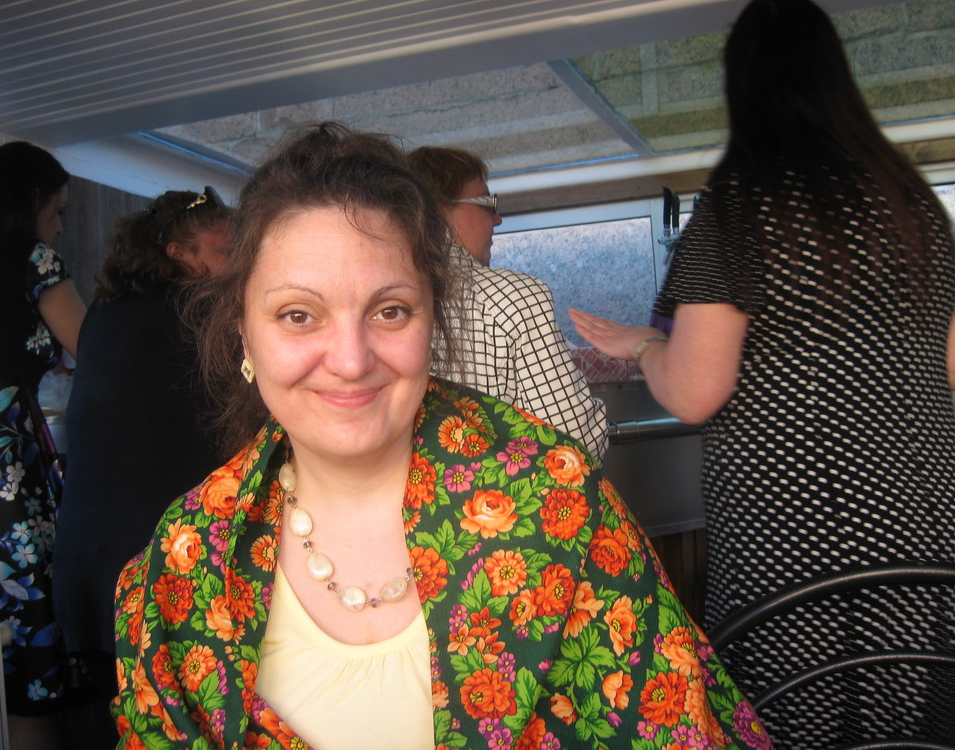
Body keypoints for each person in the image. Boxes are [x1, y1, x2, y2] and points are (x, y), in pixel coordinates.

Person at [109, 122, 769, 749]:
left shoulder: (561, 504)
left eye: (390, 310)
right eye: (298, 315)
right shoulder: (183, 562)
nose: (351, 360)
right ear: (243, 332)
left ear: (432, 318)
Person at [569, 0, 955, 745]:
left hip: (793, 537)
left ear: (741, 87)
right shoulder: (914, 208)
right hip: (923, 523)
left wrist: (643, 347)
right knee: (913, 721)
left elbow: (695, 391)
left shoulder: (741, 209)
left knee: (797, 719)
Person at [53, 188, 232, 748]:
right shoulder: (197, 313)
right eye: (226, 249)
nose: (239, 260)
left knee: (126, 721)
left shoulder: (104, 315)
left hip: (88, 561)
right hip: (151, 563)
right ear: (180, 253)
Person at [0, 140, 87, 749]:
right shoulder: (34, 258)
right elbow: (93, 348)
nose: (61, 225)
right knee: (27, 607)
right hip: (7, 451)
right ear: (33, 200)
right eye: (58, 210)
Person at [408, 146, 608, 460]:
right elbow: (576, 445)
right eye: (488, 204)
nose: (497, 219)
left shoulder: (383, 300)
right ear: (440, 210)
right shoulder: (515, 299)